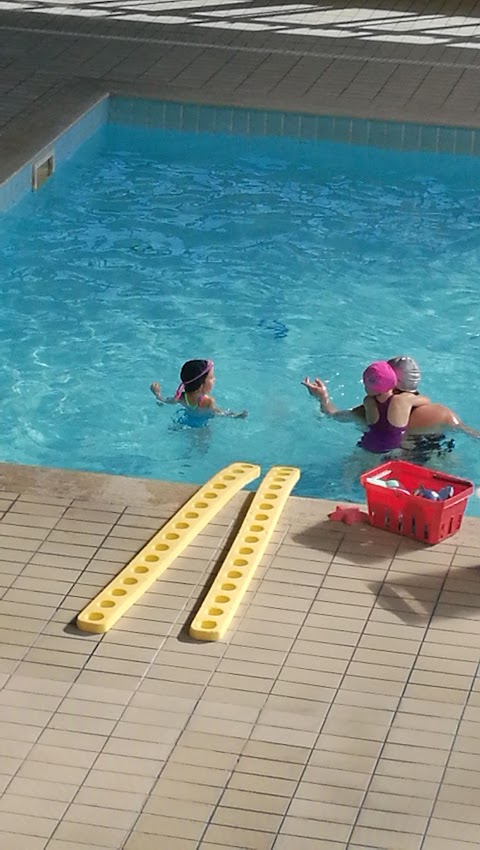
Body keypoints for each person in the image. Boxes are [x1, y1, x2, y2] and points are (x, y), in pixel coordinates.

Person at [303, 355, 480, 439]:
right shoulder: (441, 414)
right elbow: (472, 435)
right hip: (431, 462)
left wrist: (323, 398)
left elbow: (334, 415)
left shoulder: (370, 411)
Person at [357, 361, 430, 453]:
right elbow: (426, 400)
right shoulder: (402, 400)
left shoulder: (368, 401)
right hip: (391, 449)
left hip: (366, 444)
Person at [150, 359, 247, 419]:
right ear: (202, 384)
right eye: (211, 378)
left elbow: (167, 401)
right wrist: (235, 415)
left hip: (185, 419)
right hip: (202, 424)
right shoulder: (208, 401)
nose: (214, 379)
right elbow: (218, 412)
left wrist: (157, 394)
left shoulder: (182, 396)